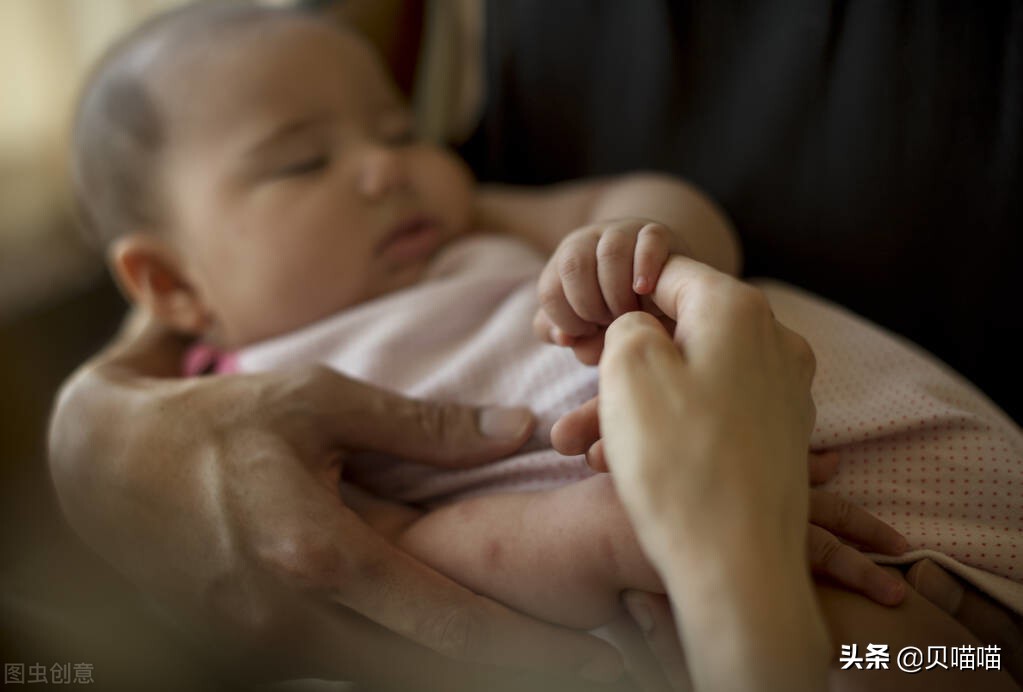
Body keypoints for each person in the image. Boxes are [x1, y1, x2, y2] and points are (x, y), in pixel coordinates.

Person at [50, 2, 1022, 690]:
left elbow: (663, 208)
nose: (390, 164)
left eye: (396, 127)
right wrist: (614, 534)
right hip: (742, 573)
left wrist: (633, 243)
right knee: (883, 658)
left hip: (897, 469)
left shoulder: (469, 220)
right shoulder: (240, 409)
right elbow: (395, 561)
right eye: (306, 160)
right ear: (174, 285)